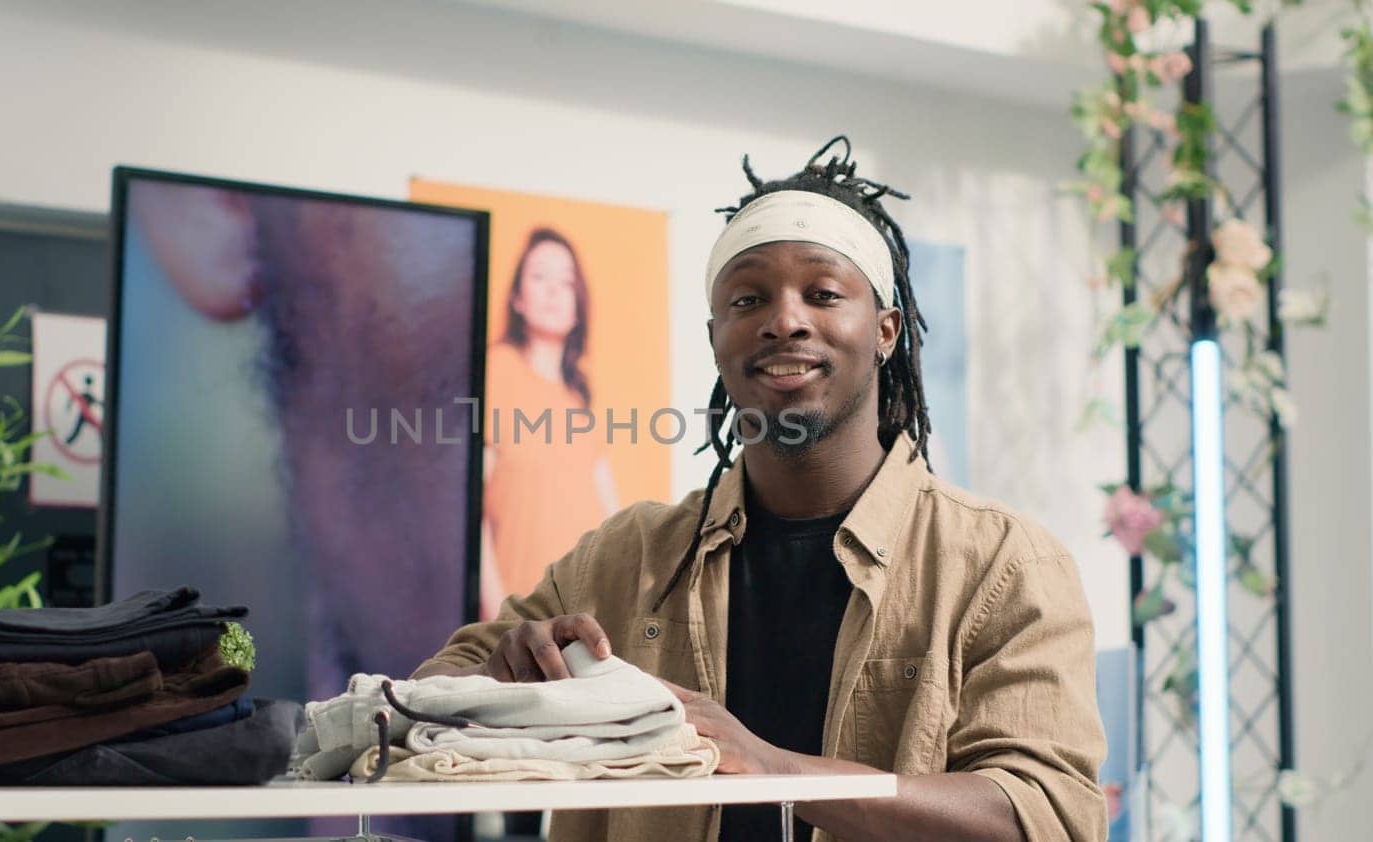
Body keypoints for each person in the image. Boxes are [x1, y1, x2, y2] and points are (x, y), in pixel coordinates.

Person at [414, 137, 1108, 842]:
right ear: (717, 337)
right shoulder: (626, 557)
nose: (784, 319)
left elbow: (1048, 815)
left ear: (886, 330)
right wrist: (506, 676)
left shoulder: (1003, 565)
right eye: (748, 299)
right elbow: (428, 699)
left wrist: (773, 770)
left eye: (824, 294)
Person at [481, 228, 620, 619]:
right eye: (540, 276)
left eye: (566, 281)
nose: (554, 290)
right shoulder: (496, 370)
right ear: (517, 298)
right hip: (518, 625)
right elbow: (470, 513)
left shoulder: (579, 396)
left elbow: (612, 519)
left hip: (587, 624)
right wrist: (496, 622)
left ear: (579, 303)